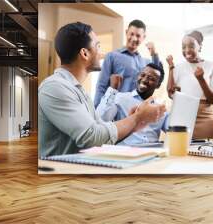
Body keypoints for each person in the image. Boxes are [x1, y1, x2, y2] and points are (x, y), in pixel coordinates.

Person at [38, 22, 166, 157]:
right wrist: (137, 118)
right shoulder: (55, 88)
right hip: (60, 173)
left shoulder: (80, 92)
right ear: (84, 53)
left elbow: (102, 130)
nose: (101, 53)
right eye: (98, 46)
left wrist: (135, 123)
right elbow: (93, 137)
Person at [94, 19, 162, 108]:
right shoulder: (112, 56)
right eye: (132, 34)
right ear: (126, 32)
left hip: (137, 111)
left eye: (138, 36)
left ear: (143, 37)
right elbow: (101, 86)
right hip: (115, 110)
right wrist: (96, 110)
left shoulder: (146, 62)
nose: (134, 38)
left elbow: (157, 77)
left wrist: (154, 54)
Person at [96, 63, 168, 145]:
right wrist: (113, 89)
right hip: (126, 152)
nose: (144, 80)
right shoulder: (120, 98)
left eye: (151, 78)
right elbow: (101, 119)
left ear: (158, 85)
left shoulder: (160, 108)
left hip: (153, 152)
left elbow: (175, 131)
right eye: (142, 75)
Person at [166, 30, 213, 139]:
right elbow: (170, 95)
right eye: (183, 47)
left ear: (200, 46)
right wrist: (170, 66)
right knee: (180, 153)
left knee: (205, 152)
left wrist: (201, 79)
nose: (187, 50)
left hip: (205, 118)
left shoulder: (211, 66)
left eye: (191, 46)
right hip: (182, 117)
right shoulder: (178, 68)